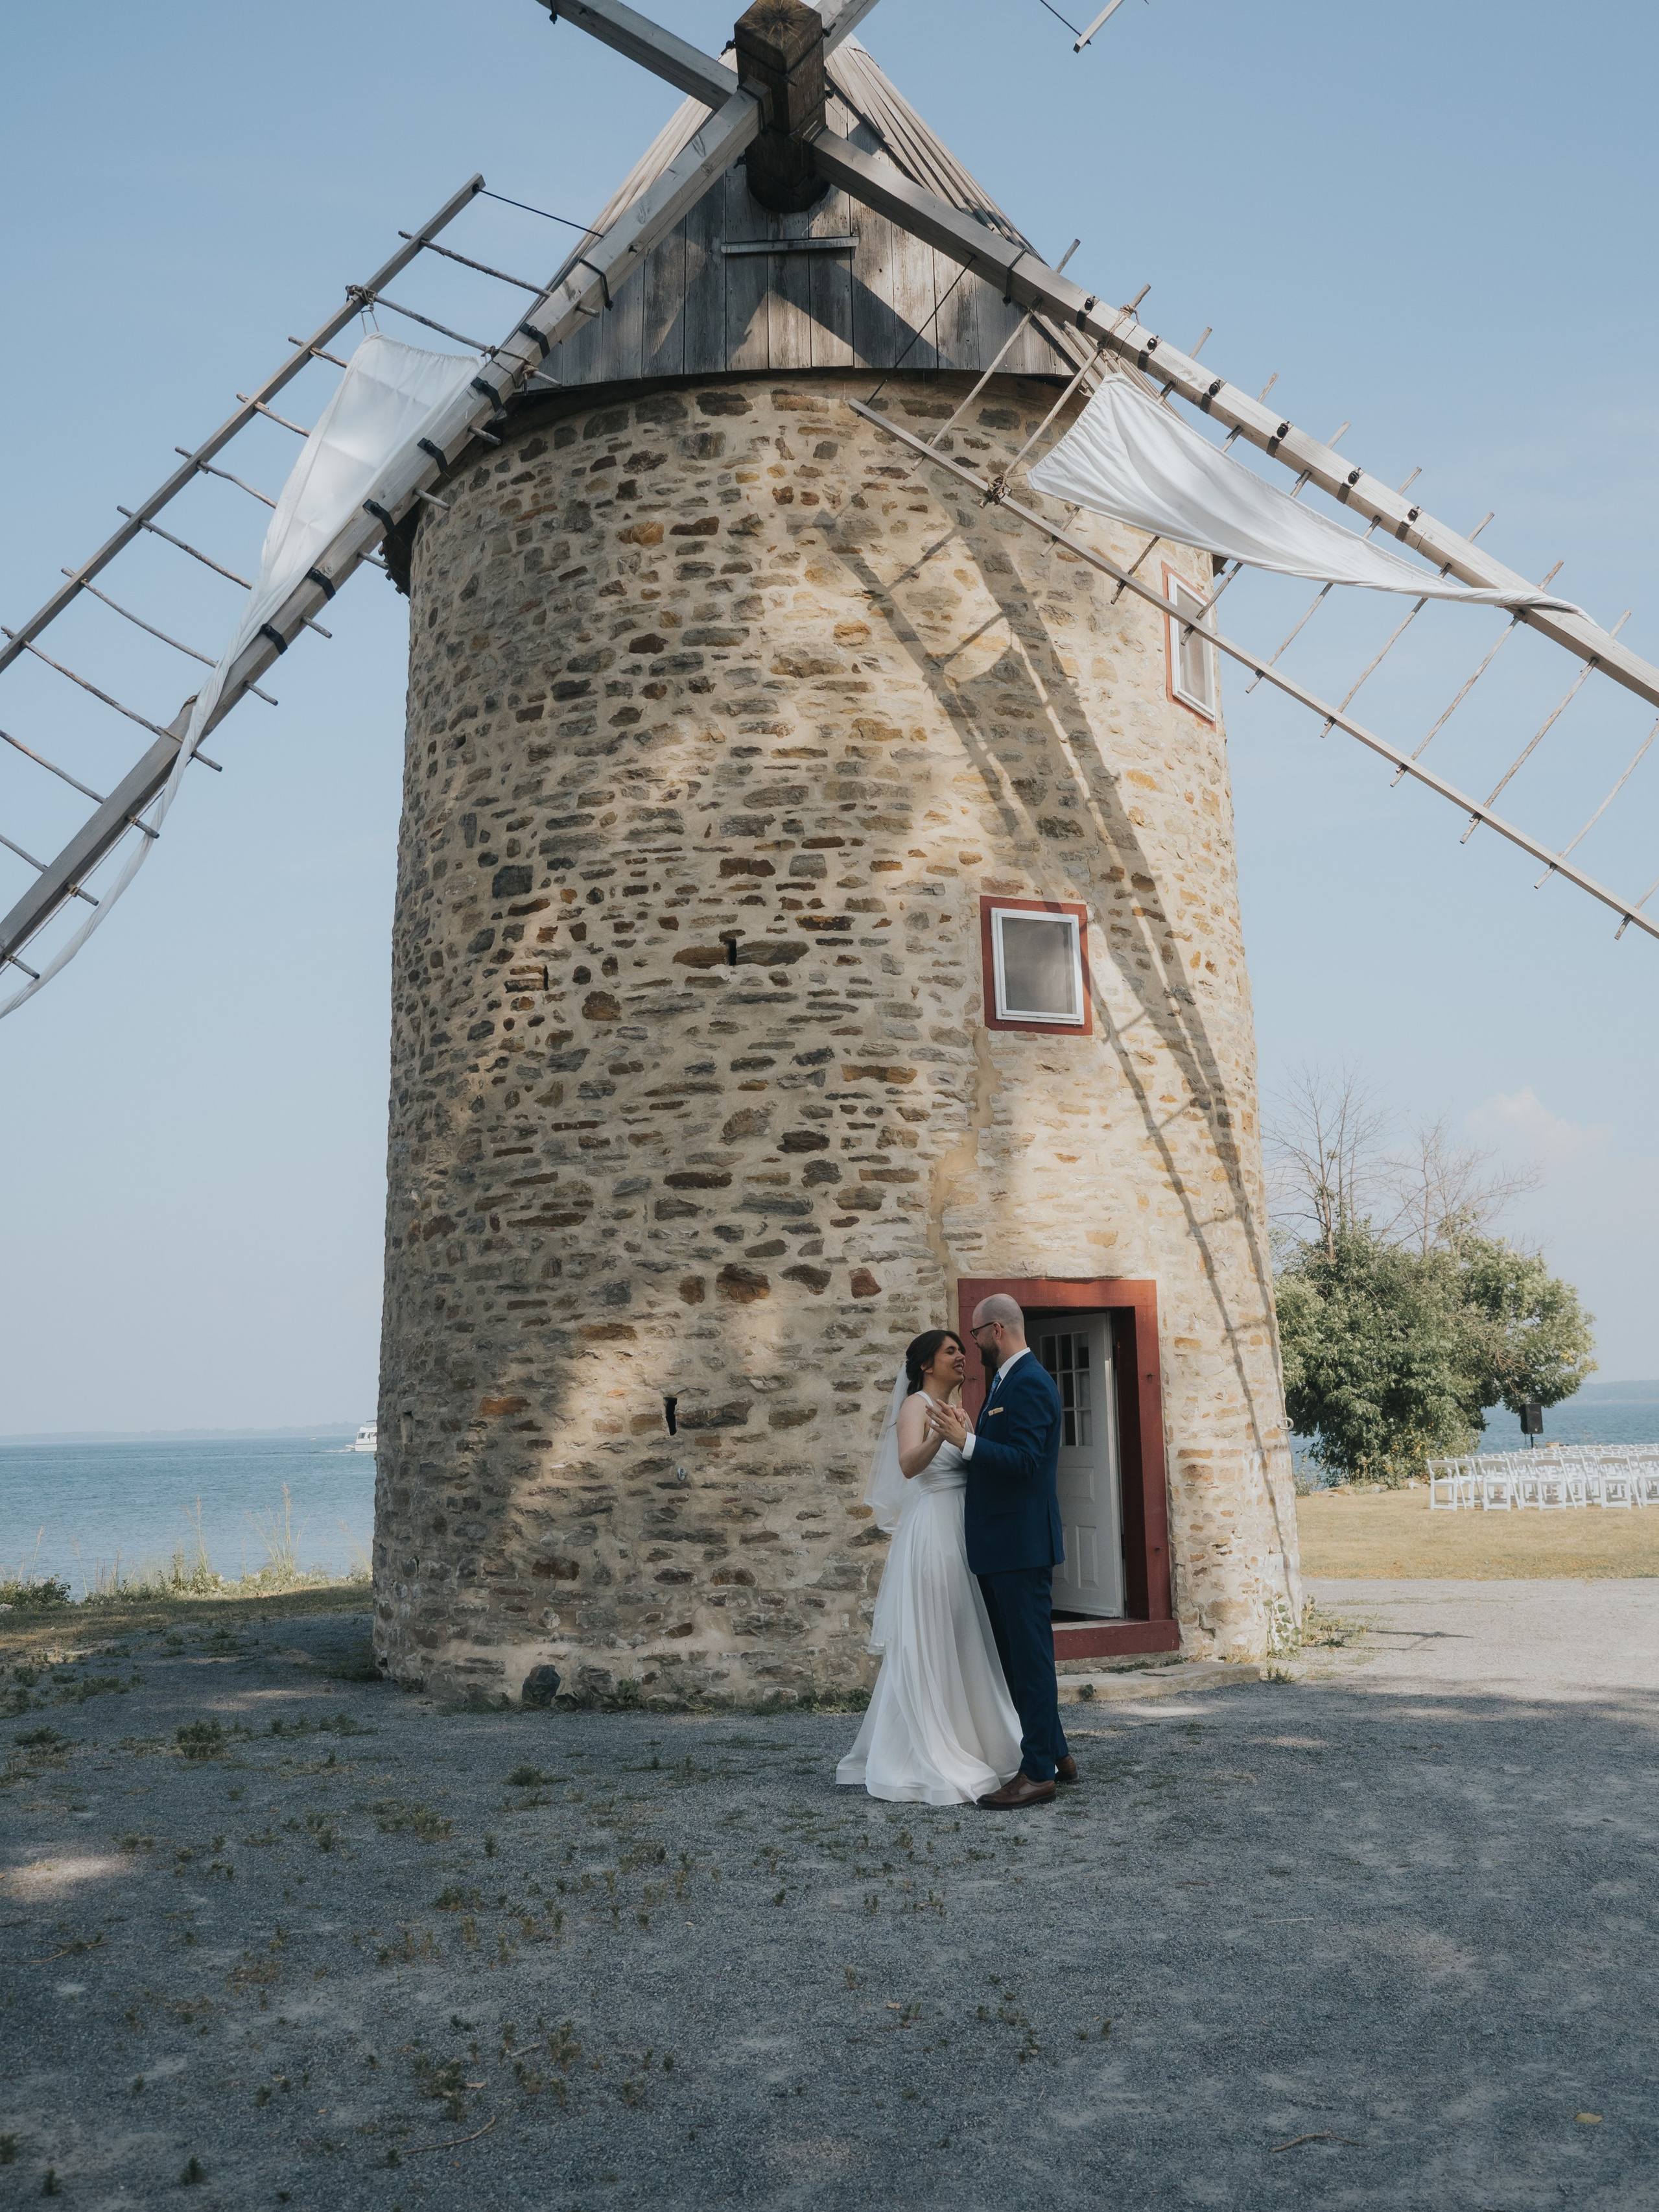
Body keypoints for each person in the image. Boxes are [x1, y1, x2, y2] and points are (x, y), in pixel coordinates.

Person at [836, 1328, 1024, 1806]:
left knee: (966, 1632)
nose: (962, 1356)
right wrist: (939, 1436)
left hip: (964, 1529)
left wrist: (962, 1435)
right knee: (934, 1631)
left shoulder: (962, 1411)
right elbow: (907, 1466)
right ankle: (926, 1747)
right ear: (926, 1364)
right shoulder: (915, 1406)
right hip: (932, 1531)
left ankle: (979, 1739)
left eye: (962, 1349)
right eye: (950, 1351)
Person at [927, 1294, 1077, 1807]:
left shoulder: (1030, 1381)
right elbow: (1003, 1457)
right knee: (1017, 1659)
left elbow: (1027, 1462)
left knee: (1029, 1660)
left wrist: (965, 1444)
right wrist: (969, 1440)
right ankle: (1054, 1751)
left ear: (995, 1330)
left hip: (1020, 1546)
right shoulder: (1005, 1381)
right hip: (1003, 1546)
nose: (972, 1346)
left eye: (973, 1336)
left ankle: (1036, 1773)